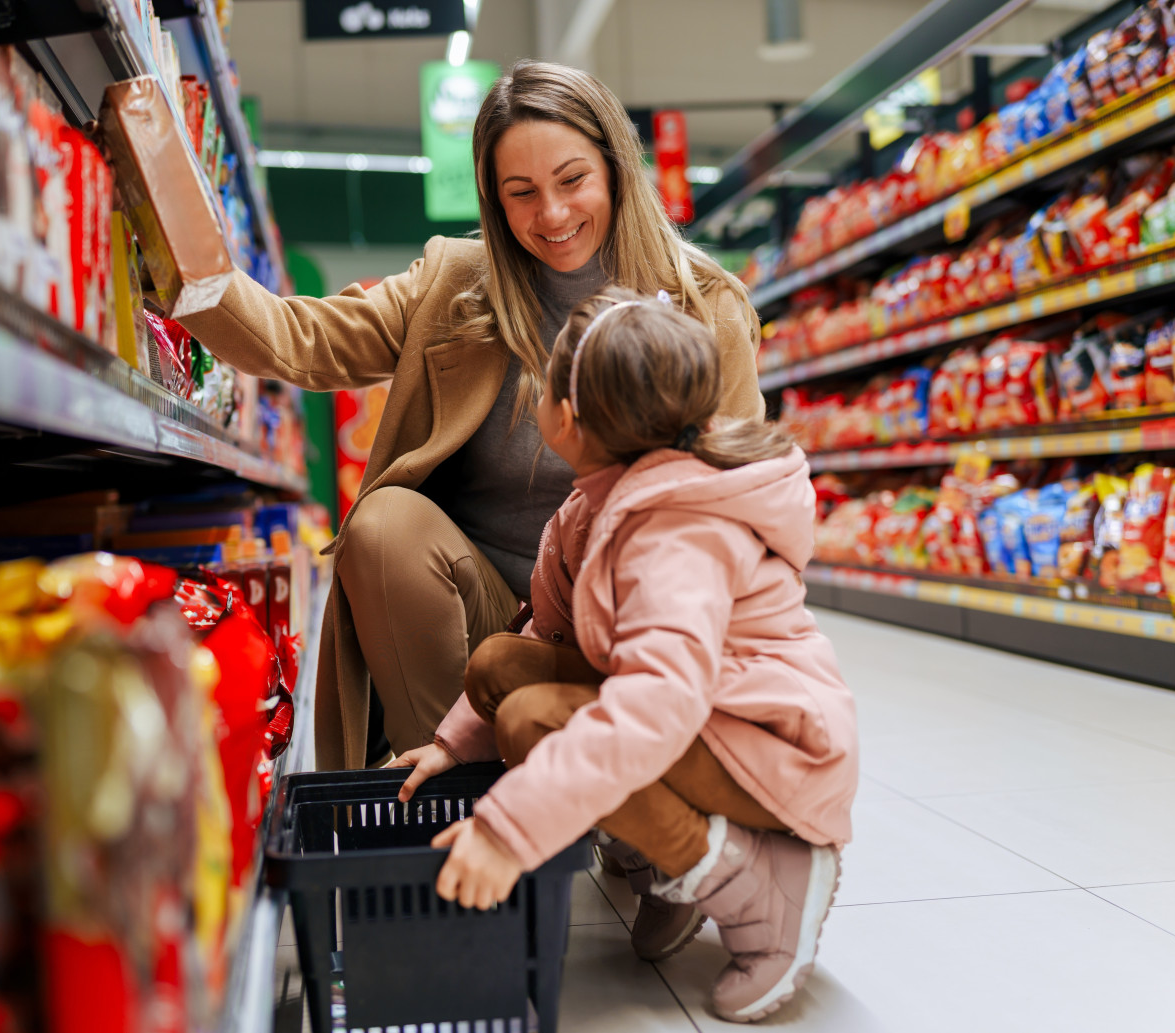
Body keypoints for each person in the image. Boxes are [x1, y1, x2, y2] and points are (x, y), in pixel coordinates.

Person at [172, 61, 764, 770]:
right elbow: (302, 341)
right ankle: (448, 793)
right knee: (383, 523)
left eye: (572, 180)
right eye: (522, 193)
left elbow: (739, 505)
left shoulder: (706, 308)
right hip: (488, 613)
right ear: (493, 201)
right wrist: (176, 252)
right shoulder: (454, 285)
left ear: (615, 167)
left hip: (628, 620)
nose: (551, 214)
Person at [391, 288, 858, 1023]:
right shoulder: (596, 504)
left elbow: (654, 706)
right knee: (501, 668)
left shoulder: (673, 531)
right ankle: (664, 863)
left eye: (542, 379)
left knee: (539, 720)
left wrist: (506, 830)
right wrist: (452, 746)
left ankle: (765, 885)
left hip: (774, 747)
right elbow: (547, 638)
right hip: (714, 718)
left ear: (567, 418)